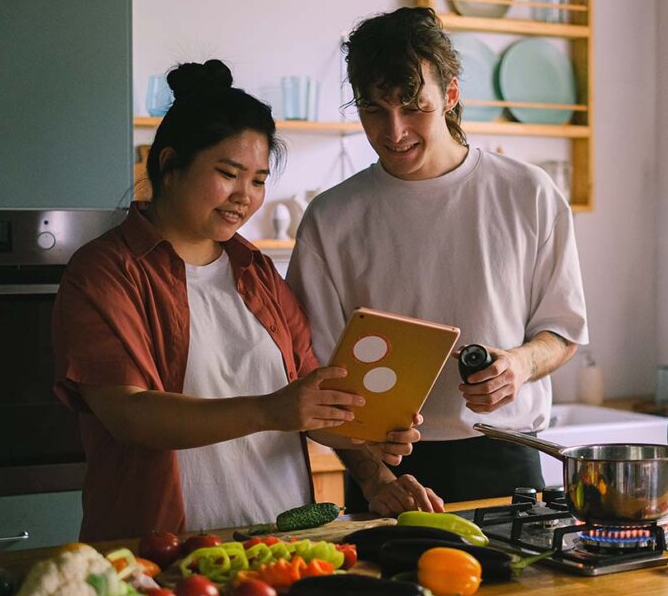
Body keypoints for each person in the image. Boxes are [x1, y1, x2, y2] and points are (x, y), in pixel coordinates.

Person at [52, 59, 418, 541]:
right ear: (168, 163)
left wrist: (375, 468)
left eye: (259, 180)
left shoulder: (258, 271)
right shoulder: (105, 271)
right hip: (160, 551)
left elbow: (306, 400)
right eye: (228, 173)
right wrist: (270, 411)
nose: (245, 196)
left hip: (280, 545)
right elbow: (129, 415)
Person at [287, 8, 589, 515]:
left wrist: (518, 363)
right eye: (374, 110)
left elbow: (562, 331)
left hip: (510, 458)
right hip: (388, 468)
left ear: (449, 95)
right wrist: (376, 477)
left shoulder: (528, 193)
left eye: (413, 107)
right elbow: (315, 376)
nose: (394, 130)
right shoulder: (330, 217)